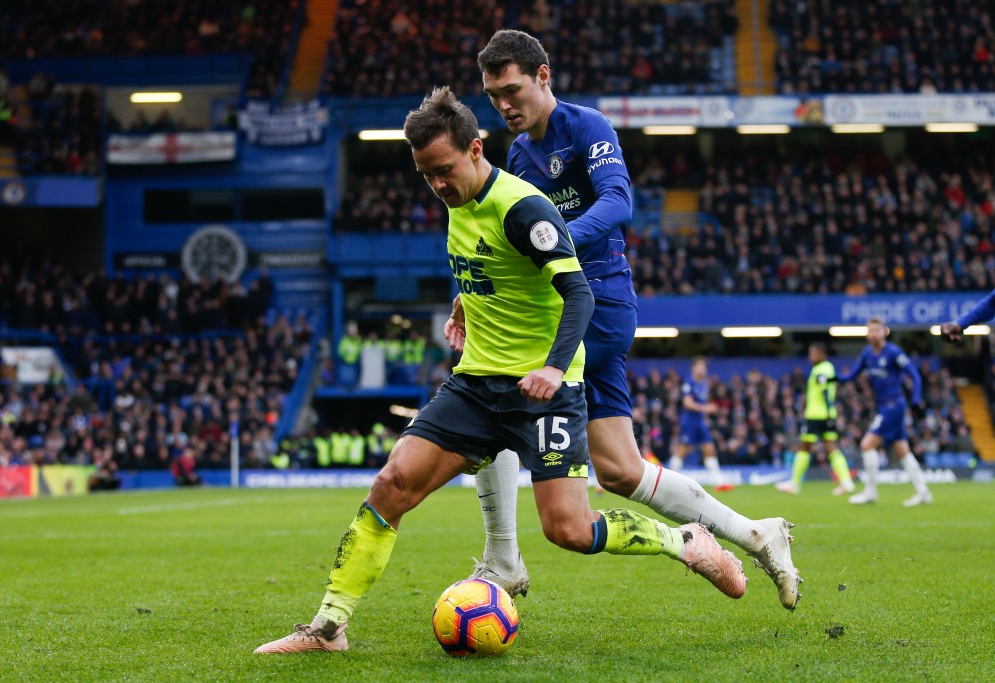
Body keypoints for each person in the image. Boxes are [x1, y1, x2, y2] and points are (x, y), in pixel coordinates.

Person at [253, 87, 747, 655]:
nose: (437, 184)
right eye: (425, 175)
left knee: (568, 530)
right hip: (475, 385)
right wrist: (465, 301)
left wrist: (554, 369)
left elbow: (578, 294)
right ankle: (328, 627)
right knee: (391, 484)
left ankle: (683, 540)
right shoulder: (456, 203)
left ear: (476, 149)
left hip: (543, 392)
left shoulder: (524, 208)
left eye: (443, 170)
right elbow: (490, 266)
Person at [446, 29, 800, 612]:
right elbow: (501, 238)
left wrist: (553, 244)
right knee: (619, 469)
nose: (504, 104)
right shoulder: (515, 156)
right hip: (555, 309)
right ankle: (755, 533)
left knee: (499, 388)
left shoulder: (587, 128)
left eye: (512, 90)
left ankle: (503, 561)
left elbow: (618, 203)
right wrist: (475, 290)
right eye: (492, 96)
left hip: (599, 304)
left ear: (542, 76)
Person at [836, 317, 932, 506]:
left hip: (894, 406)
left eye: (876, 330)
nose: (872, 334)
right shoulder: (867, 354)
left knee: (866, 445)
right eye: (870, 330)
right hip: (883, 406)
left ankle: (871, 493)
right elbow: (851, 376)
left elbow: (914, 375)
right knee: (902, 450)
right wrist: (833, 377)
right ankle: (923, 492)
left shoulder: (894, 352)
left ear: (884, 332)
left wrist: (916, 399)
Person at [775, 343, 855, 495]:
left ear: (821, 354)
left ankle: (795, 483)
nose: (810, 357)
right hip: (827, 414)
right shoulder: (827, 367)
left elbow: (824, 388)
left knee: (805, 446)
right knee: (831, 447)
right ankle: (846, 482)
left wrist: (828, 409)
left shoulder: (822, 368)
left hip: (817, 415)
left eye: (813, 353)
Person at [667, 357, 733, 492]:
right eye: (699, 367)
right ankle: (669, 482)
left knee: (709, 448)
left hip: (700, 422)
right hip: (689, 422)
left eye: (704, 367)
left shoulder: (704, 384)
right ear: (693, 368)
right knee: (682, 450)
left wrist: (704, 414)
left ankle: (718, 482)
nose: (702, 370)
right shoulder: (688, 382)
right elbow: (687, 403)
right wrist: (706, 408)